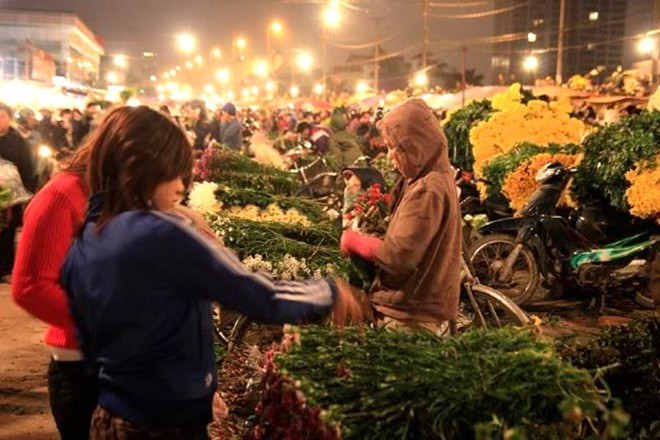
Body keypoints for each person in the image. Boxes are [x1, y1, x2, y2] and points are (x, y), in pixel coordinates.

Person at [61, 106, 362, 438]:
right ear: (141, 170)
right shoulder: (162, 235)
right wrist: (328, 291)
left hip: (111, 419)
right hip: (165, 426)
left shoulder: (85, 241)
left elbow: (89, 346)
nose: (180, 188)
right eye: (173, 175)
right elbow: (257, 294)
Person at [340, 98, 462, 330]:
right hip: (412, 304)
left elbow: (400, 256)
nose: (390, 156)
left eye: (395, 147)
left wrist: (356, 243)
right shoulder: (426, 176)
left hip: (411, 311)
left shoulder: (428, 188)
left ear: (416, 146)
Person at [12, 146, 97, 439]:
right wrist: (110, 324)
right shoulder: (62, 194)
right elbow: (32, 288)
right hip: (80, 363)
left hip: (119, 358)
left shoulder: (113, 194)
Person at [0, 102, 36, 281]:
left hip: (10, 196)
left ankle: (6, 269)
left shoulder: (18, 141)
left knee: (7, 231)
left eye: (2, 116)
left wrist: (24, 193)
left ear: (9, 118)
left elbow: (27, 168)